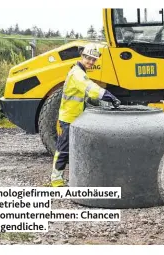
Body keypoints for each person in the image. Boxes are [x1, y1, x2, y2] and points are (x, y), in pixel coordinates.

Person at [50, 43, 121, 187]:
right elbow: (90, 88)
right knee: (63, 148)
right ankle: (56, 180)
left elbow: (83, 94)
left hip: (76, 117)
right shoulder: (77, 74)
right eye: (88, 58)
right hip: (68, 118)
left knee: (75, 148)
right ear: (82, 56)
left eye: (94, 60)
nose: (91, 62)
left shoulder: (80, 72)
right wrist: (107, 95)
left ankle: (72, 177)